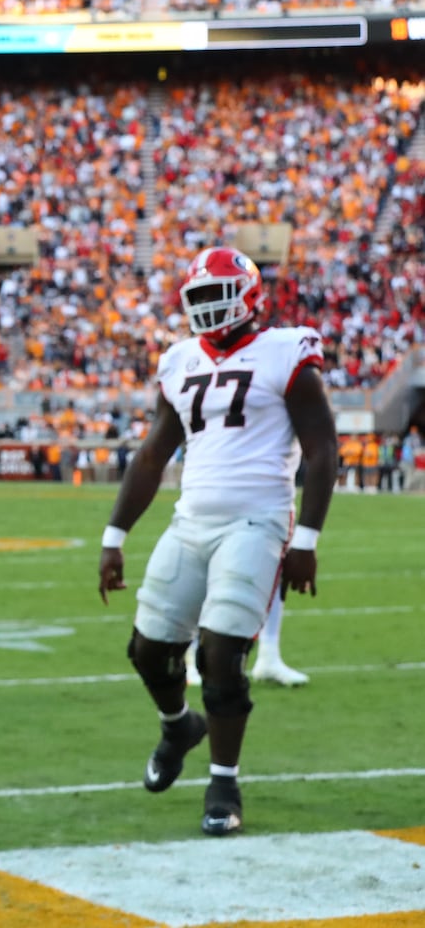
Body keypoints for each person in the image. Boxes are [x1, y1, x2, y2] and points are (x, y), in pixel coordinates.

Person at [98, 247, 338, 837]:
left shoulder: (287, 351)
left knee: (221, 655)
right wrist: (114, 535)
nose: (207, 307)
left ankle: (223, 781)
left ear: (250, 296)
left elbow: (322, 448)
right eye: (198, 297)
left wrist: (306, 537)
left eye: (216, 295)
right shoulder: (179, 361)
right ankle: (179, 725)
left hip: (257, 520)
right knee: (149, 650)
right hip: (190, 521)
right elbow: (154, 453)